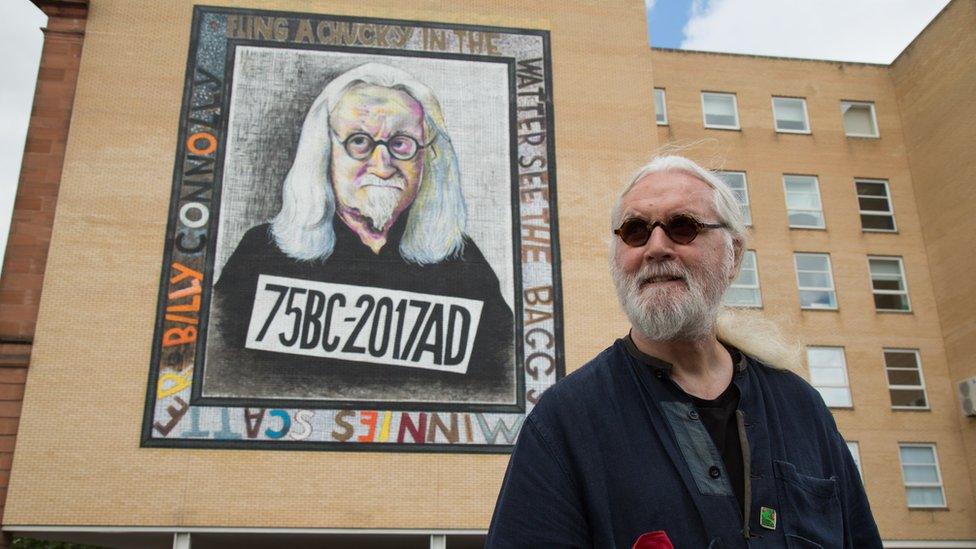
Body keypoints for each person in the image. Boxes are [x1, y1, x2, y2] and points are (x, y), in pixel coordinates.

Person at [487, 156, 882, 548]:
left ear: (734, 257)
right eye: (635, 230)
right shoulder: (565, 422)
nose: (656, 247)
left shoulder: (802, 409)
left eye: (682, 227)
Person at [205, 63, 515, 406]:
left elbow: (499, 385)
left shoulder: (464, 264)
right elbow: (220, 371)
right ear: (323, 151)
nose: (382, 166)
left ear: (428, 158)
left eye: (401, 143)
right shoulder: (262, 254)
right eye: (359, 141)